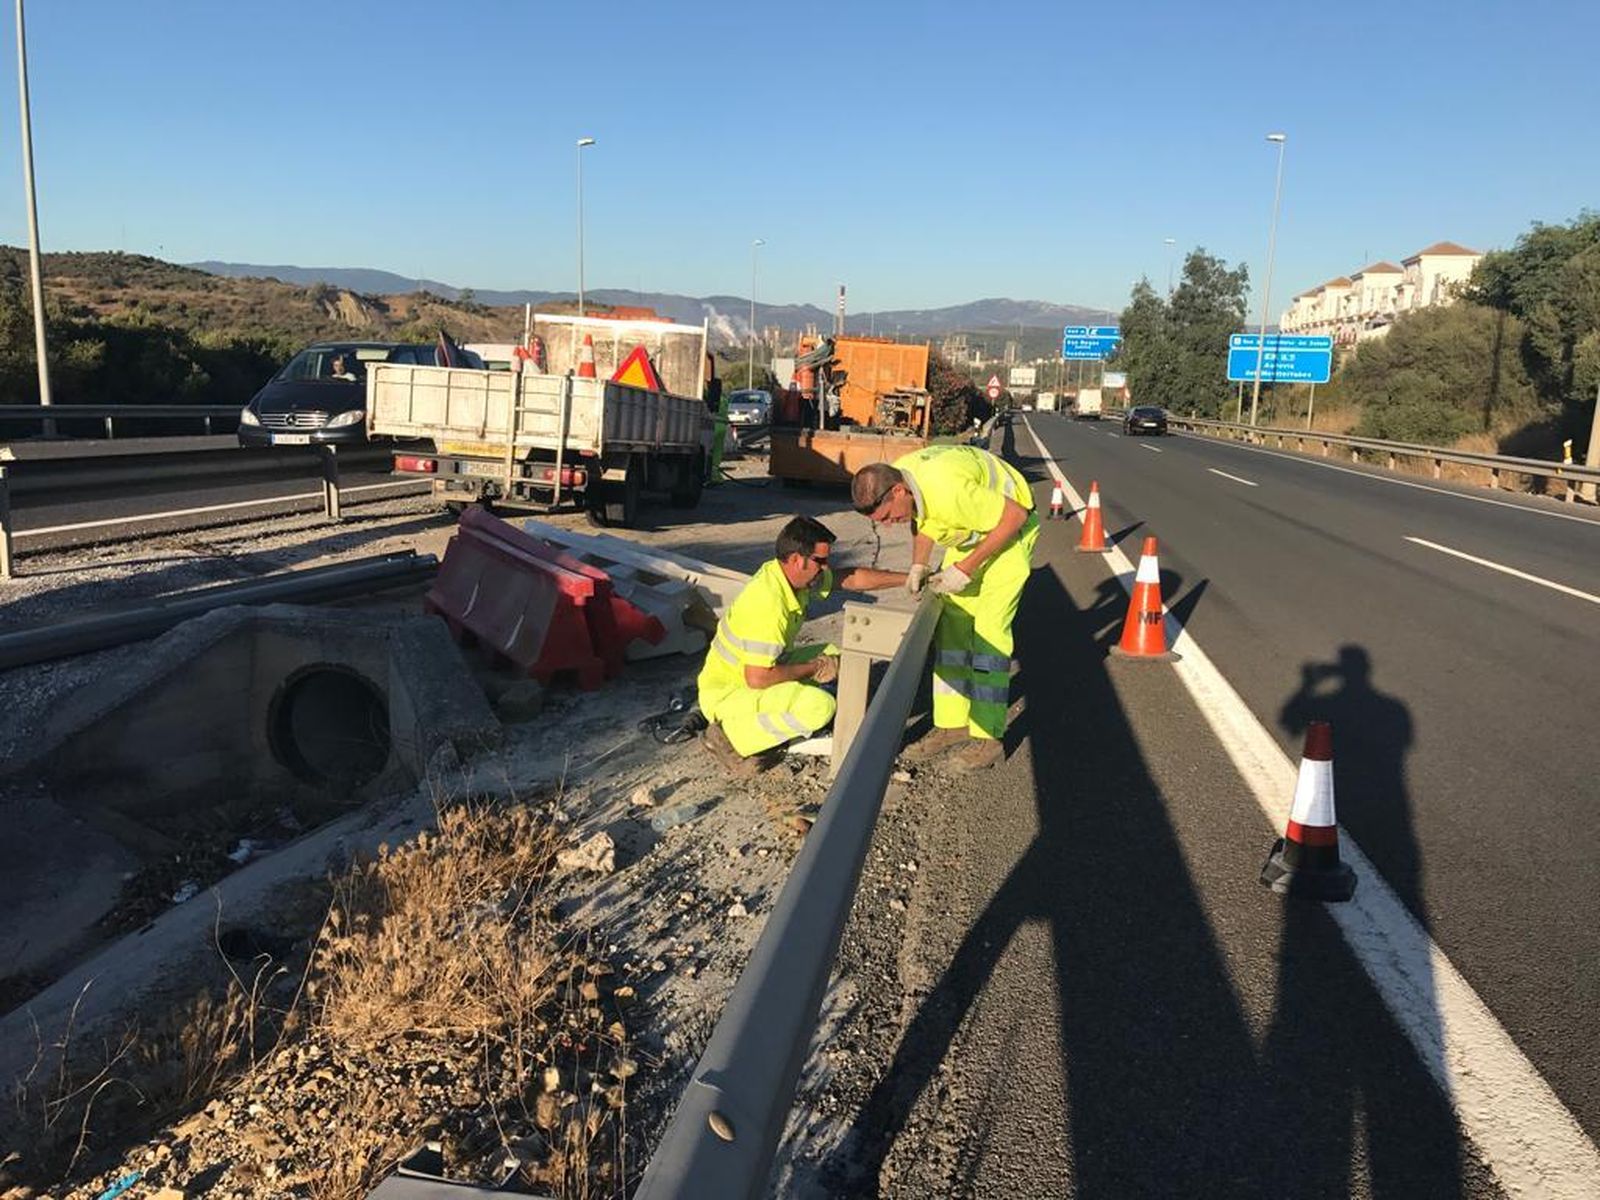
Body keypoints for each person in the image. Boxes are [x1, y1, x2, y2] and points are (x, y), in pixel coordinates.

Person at [852, 444, 1038, 771]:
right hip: (974, 531)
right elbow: (925, 522)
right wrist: (918, 565)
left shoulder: (947, 489)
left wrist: (965, 569)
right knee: (950, 624)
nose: (889, 524)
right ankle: (953, 724)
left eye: (887, 516)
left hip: (1010, 534)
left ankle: (988, 737)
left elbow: (1014, 517)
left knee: (988, 635)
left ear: (898, 490)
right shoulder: (905, 472)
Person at [699, 515, 906, 776]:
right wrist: (813, 668)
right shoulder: (768, 603)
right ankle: (730, 737)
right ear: (797, 559)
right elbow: (758, 678)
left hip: (750, 673)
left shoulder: (790, 578)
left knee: (834, 655)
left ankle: (790, 719)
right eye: (820, 561)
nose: (825, 567)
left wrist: (909, 578)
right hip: (729, 695)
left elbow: (851, 579)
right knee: (820, 706)